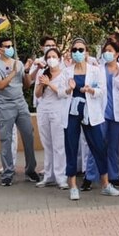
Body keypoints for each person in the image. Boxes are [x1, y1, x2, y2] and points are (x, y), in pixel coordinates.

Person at [62, 37, 119, 200]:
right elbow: (61, 93)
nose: (78, 53)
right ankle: (73, 185)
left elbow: (102, 90)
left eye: (81, 50)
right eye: (74, 50)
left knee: (99, 146)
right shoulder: (66, 71)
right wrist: (69, 89)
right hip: (72, 112)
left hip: (91, 112)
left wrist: (90, 90)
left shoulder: (95, 70)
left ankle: (105, 184)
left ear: (86, 52)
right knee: (71, 147)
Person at [0, 36, 40, 186]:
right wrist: (13, 72)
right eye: (7, 46)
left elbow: (27, 84)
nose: (10, 48)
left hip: (21, 103)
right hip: (5, 106)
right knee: (6, 140)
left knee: (28, 136)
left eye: (11, 45)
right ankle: (8, 173)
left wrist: (25, 71)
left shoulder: (18, 63)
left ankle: (30, 170)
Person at [84, 39, 119, 188]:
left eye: (111, 51)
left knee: (114, 147)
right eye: (106, 51)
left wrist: (117, 77)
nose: (108, 53)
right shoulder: (97, 69)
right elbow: (93, 89)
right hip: (101, 113)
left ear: (117, 54)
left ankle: (114, 176)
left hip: (118, 114)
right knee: (96, 145)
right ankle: (89, 176)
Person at [33, 46, 70, 189]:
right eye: (48, 57)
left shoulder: (65, 74)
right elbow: (37, 95)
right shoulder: (43, 73)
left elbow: (64, 93)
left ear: (59, 59)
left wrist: (49, 84)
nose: (51, 59)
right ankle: (48, 176)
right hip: (43, 110)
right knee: (47, 144)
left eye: (54, 57)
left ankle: (61, 177)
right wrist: (42, 84)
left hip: (58, 110)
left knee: (58, 145)